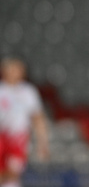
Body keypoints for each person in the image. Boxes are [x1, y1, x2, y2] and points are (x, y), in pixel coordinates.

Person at [0, 57, 49, 187]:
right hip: (1, 138)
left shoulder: (28, 92)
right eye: (13, 68)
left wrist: (42, 142)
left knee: (13, 174)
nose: (17, 72)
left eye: (19, 69)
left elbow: (38, 119)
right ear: (4, 70)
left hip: (18, 140)